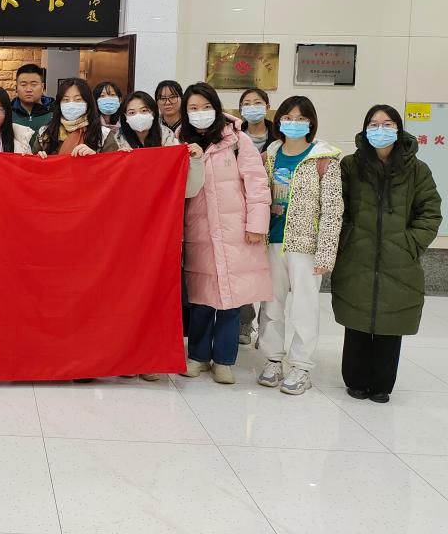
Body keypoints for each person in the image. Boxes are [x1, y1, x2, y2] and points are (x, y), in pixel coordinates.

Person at [331, 105, 442, 403]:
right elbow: (337, 208)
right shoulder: (351, 165)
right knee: (356, 317)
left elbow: (430, 213)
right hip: (357, 253)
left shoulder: (417, 169)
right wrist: (346, 239)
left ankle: (381, 384)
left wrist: (410, 243)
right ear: (365, 128)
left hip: (399, 258)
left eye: (388, 123)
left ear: (399, 129)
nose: (380, 129)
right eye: (374, 123)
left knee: (392, 321)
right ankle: (355, 379)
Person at [178, 82, 272, 385]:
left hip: (236, 231)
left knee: (232, 301)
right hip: (200, 232)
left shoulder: (237, 139)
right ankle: (197, 356)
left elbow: (256, 183)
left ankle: (224, 360)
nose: (200, 113)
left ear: (216, 107)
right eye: (193, 108)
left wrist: (256, 225)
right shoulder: (179, 140)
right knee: (202, 300)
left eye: (206, 106)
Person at [255, 96, 343, 396]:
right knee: (271, 305)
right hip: (271, 241)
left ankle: (301, 366)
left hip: (305, 246)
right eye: (288, 117)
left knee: (304, 307)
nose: (294, 123)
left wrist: (326, 253)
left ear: (311, 123)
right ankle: (273, 360)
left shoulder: (324, 159)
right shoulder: (270, 155)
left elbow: (333, 209)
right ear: (279, 121)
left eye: (301, 118)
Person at [115, 91, 206, 381]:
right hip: (123, 234)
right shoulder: (114, 142)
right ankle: (126, 357)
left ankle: (152, 357)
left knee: (157, 294)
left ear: (154, 113)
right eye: (131, 112)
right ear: (124, 117)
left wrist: (195, 160)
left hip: (160, 232)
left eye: (143, 110)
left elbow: (190, 189)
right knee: (124, 296)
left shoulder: (170, 142)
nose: (138, 117)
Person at [237, 88, 280, 345]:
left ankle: (266, 329)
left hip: (276, 210)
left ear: (267, 106)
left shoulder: (280, 137)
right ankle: (245, 321)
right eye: (247, 103)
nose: (252, 107)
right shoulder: (234, 136)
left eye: (257, 102)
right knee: (244, 268)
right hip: (243, 209)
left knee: (271, 275)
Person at [34, 78, 119, 157]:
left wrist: (95, 158)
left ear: (88, 103)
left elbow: (113, 164)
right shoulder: (44, 133)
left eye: (78, 99)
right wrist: (38, 159)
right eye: (66, 100)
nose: (71, 104)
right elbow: (32, 164)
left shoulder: (103, 135)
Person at [12, 64, 54, 132]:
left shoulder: (55, 112)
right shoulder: (7, 113)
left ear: (42, 87)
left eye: (33, 84)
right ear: (16, 88)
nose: (28, 89)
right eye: (23, 85)